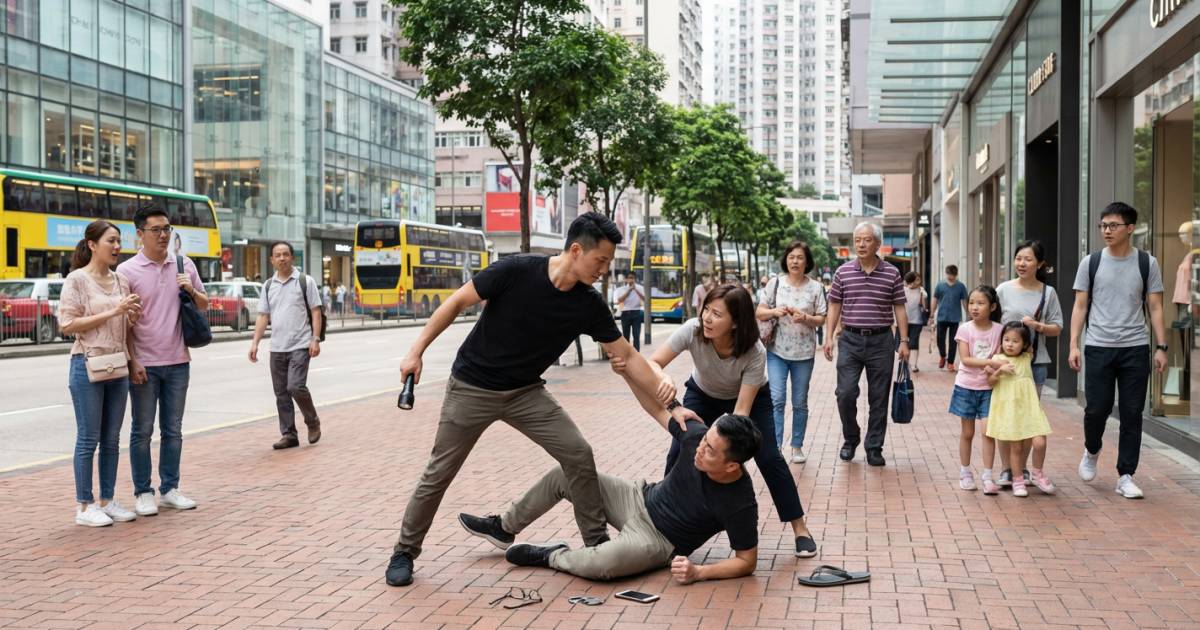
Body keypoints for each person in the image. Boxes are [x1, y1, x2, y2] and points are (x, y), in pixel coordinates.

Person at [386, 212, 683, 588]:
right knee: (439, 472)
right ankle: (404, 551)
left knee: (578, 453)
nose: (604, 270)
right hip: (472, 386)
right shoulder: (516, 270)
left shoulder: (588, 304)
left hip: (526, 392)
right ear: (576, 250)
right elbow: (457, 302)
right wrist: (416, 352)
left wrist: (672, 405)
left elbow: (629, 356)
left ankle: (596, 543)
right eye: (601, 260)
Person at [616, 284, 818, 557]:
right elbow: (654, 363)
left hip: (750, 398)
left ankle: (800, 528)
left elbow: (740, 414)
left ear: (735, 322)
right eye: (707, 310)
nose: (707, 318)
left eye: (717, 314)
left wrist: (724, 456)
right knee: (680, 448)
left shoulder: (754, 351)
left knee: (770, 457)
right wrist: (665, 378)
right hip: (703, 392)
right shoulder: (693, 330)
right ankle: (665, 524)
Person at [457, 408, 761, 584]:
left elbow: (746, 561)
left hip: (657, 540)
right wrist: (669, 400)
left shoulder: (740, 503)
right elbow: (653, 402)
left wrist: (700, 572)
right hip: (637, 496)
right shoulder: (698, 437)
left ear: (732, 465)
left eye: (710, 450)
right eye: (704, 440)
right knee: (566, 473)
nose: (700, 448)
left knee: (603, 565)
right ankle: (504, 527)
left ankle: (552, 555)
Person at [1070, 201, 1167, 499]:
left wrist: (1161, 347)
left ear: (1130, 228)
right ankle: (1092, 449)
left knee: (1132, 413)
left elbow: (1155, 307)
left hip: (1135, 348)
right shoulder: (1091, 262)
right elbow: (1080, 306)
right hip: (1098, 346)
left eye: (1113, 225)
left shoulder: (1147, 263)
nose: (1107, 231)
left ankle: (1126, 475)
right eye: (1103, 225)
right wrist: (1073, 344)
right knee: (1096, 409)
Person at [118, 204, 208, 516]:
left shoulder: (183, 264)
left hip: (178, 360)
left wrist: (190, 288)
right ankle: (143, 491)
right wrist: (132, 361)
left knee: (173, 430)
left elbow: (204, 303)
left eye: (167, 229)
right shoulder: (127, 271)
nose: (163, 235)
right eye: (155, 230)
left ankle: (170, 488)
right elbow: (124, 323)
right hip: (145, 363)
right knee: (142, 430)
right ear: (139, 234)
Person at [59, 221, 142, 527]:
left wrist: (131, 317)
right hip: (87, 364)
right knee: (88, 438)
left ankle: (107, 500)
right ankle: (84, 506)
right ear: (92, 244)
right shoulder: (77, 280)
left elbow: (125, 327)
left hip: (117, 364)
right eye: (111, 241)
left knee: (111, 439)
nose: (117, 246)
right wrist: (113, 311)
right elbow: (67, 325)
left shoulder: (121, 280)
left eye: (119, 241)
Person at [822, 222, 909, 467]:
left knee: (879, 397)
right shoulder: (843, 272)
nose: (861, 244)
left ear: (877, 244)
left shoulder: (892, 273)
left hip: (881, 341)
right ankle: (851, 439)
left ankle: (874, 447)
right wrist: (829, 337)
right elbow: (834, 305)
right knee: (845, 393)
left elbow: (899, 308)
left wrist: (904, 341)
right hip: (850, 340)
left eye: (867, 240)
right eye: (858, 240)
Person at [995, 240, 1064, 488]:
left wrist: (1038, 326)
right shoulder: (1002, 290)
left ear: (1040, 264)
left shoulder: (1048, 293)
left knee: (1026, 418)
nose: (1022, 264)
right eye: (1018, 258)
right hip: (1005, 365)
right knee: (1005, 415)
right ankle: (1006, 469)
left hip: (1035, 364)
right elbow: (992, 325)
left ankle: (1021, 469)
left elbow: (1057, 327)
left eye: (1028, 259)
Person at [755, 241, 827, 464]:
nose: (795, 261)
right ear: (786, 260)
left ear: (807, 262)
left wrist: (805, 317)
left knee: (799, 402)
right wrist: (774, 311)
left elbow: (821, 318)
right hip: (776, 351)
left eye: (800, 257)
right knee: (777, 399)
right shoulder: (775, 283)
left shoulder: (815, 288)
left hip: (804, 353)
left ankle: (797, 446)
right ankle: (776, 447)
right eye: (791, 257)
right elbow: (760, 311)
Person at [249, 242, 323, 450]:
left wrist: (315, 339)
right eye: (278, 255)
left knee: (295, 386)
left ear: (292, 257)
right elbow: (263, 316)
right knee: (281, 393)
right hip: (277, 347)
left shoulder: (305, 281)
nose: (282, 258)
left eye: (285, 254)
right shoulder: (268, 286)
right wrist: (255, 343)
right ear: (272, 260)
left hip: (300, 344)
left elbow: (316, 311)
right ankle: (289, 434)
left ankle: (312, 421)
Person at [986, 322, 1055, 497]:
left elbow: (1033, 339)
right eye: (1006, 339)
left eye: (1015, 341)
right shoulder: (996, 359)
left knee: (1040, 442)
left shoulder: (1026, 356)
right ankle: (1017, 480)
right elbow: (990, 382)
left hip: (1030, 408)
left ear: (1024, 345)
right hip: (1011, 411)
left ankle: (1037, 473)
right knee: (1015, 447)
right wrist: (999, 370)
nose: (1009, 344)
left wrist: (1030, 323)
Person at [948, 286, 1003, 494]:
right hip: (966, 387)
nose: (974, 307)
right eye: (971, 303)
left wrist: (994, 366)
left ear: (992, 307)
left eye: (980, 303)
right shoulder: (965, 329)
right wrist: (991, 363)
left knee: (988, 432)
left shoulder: (999, 330)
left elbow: (999, 356)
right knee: (967, 432)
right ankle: (965, 472)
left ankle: (988, 476)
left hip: (989, 387)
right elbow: (966, 359)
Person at [930, 265, 969, 371]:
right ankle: (943, 356)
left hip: (955, 317)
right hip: (942, 317)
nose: (950, 277)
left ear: (956, 274)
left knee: (953, 341)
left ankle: (950, 362)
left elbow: (964, 301)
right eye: (949, 275)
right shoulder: (940, 285)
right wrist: (932, 313)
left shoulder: (961, 286)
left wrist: (968, 313)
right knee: (940, 339)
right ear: (946, 273)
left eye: (953, 275)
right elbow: (934, 299)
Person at [903, 272, 928, 372]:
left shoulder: (921, 291)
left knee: (914, 343)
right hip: (903, 321)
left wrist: (921, 295)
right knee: (904, 342)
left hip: (917, 321)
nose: (918, 282)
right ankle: (905, 363)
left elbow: (924, 307)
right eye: (916, 280)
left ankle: (913, 365)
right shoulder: (903, 290)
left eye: (919, 279)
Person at [616, 272, 646, 351]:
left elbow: (644, 299)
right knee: (626, 336)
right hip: (625, 313)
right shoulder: (622, 289)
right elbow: (619, 300)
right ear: (626, 279)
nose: (631, 280)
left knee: (636, 335)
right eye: (629, 278)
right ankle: (627, 354)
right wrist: (629, 290)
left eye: (632, 278)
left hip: (636, 312)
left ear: (635, 279)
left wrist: (635, 289)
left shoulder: (640, 288)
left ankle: (636, 353)